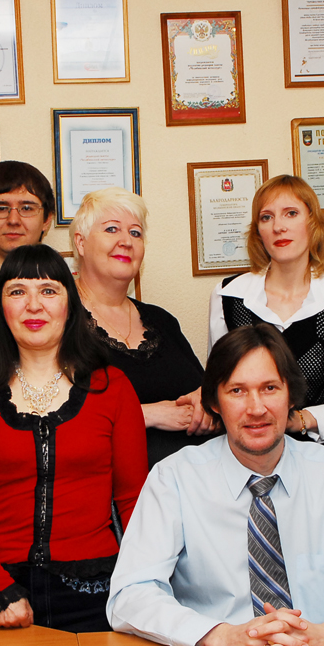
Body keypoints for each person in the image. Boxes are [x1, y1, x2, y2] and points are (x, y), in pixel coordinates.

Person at [108, 324, 324, 646]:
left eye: (270, 388)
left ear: (291, 395)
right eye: (237, 391)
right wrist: (219, 637)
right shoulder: (174, 479)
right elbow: (131, 594)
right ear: (214, 402)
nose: (256, 408)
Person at [0, 245, 148, 633]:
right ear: (1, 308)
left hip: (94, 594)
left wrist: (142, 582)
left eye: (48, 290)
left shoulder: (113, 388)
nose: (33, 305)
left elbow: (133, 498)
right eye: (17, 291)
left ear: (70, 305)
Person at [208, 174, 324, 450]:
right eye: (267, 217)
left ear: (313, 223)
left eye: (291, 213)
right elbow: (219, 390)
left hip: (321, 456)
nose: (278, 227)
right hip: (246, 453)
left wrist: (300, 420)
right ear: (258, 231)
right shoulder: (228, 296)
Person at [71, 187, 214, 468]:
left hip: (198, 477)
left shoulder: (161, 320)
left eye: (135, 233)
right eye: (111, 229)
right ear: (81, 243)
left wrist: (207, 400)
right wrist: (147, 414)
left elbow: (202, 388)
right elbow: (47, 415)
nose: (126, 241)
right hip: (112, 486)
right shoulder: (56, 319)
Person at [0, 160, 56, 296]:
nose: (13, 220)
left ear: (46, 220)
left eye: (27, 208)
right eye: (0, 208)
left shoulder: (66, 291)